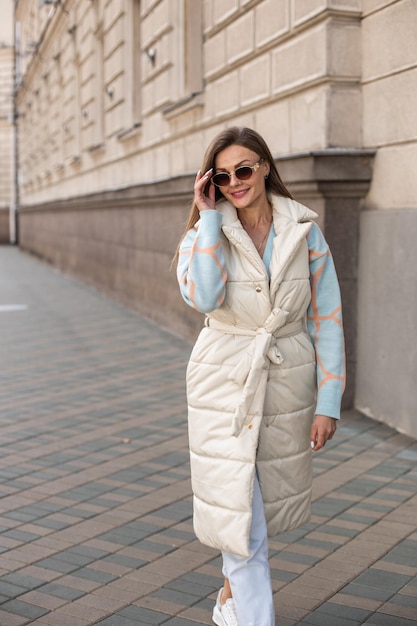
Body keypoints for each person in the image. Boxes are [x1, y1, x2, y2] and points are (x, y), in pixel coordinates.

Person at [175, 127, 345, 626]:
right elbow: (204, 299)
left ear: (266, 166)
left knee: (258, 507)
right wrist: (208, 221)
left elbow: (328, 317)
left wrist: (328, 401)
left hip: (286, 376)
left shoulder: (304, 230)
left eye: (244, 169)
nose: (235, 182)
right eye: (222, 176)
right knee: (238, 510)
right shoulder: (200, 235)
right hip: (223, 379)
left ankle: (229, 600)